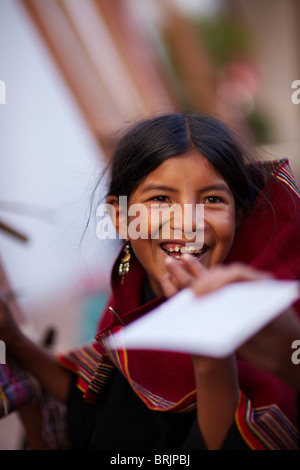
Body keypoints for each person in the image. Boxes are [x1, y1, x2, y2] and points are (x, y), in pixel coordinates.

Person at [0, 112, 300, 450]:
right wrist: (14, 338)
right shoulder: (130, 298)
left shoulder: (272, 318)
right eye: (160, 199)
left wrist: (210, 348)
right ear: (120, 217)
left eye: (213, 199)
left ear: (239, 215)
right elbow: (93, 410)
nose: (188, 222)